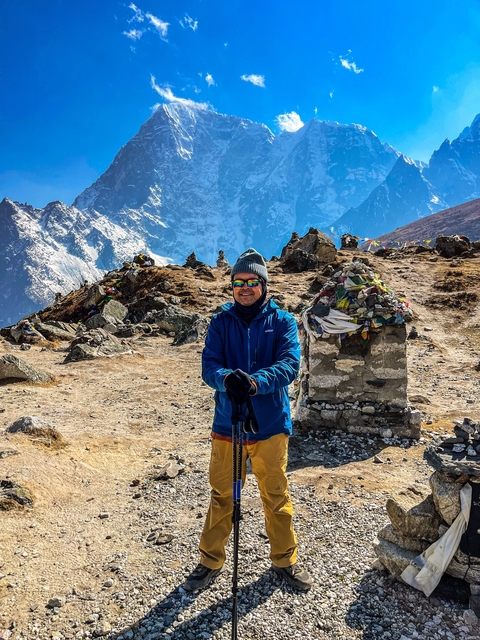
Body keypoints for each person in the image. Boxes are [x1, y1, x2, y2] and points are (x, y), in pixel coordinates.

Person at [184, 248, 313, 592]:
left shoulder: (283, 321)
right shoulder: (221, 322)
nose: (244, 288)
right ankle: (210, 561)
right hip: (228, 424)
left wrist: (255, 382)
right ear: (232, 287)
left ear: (264, 284)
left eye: (252, 282)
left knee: (275, 494)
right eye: (238, 282)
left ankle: (285, 561)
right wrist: (227, 379)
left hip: (270, 426)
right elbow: (209, 366)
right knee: (222, 494)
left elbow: (289, 365)